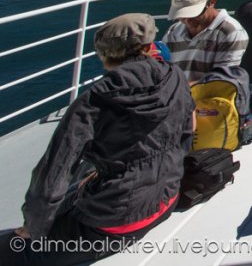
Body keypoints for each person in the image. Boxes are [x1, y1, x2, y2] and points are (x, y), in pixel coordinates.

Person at [2, 14, 193, 266]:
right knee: (75, 194)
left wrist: (32, 229)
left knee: (10, 248)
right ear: (148, 47)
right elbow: (186, 133)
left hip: (115, 224)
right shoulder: (175, 77)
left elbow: (54, 173)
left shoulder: (93, 102)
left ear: (103, 55)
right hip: (165, 200)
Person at [163, 0, 249, 83]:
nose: (187, 20)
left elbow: (222, 80)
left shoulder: (231, 31)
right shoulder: (172, 32)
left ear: (212, 2)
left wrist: (178, 90)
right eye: (182, 15)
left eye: (193, 13)